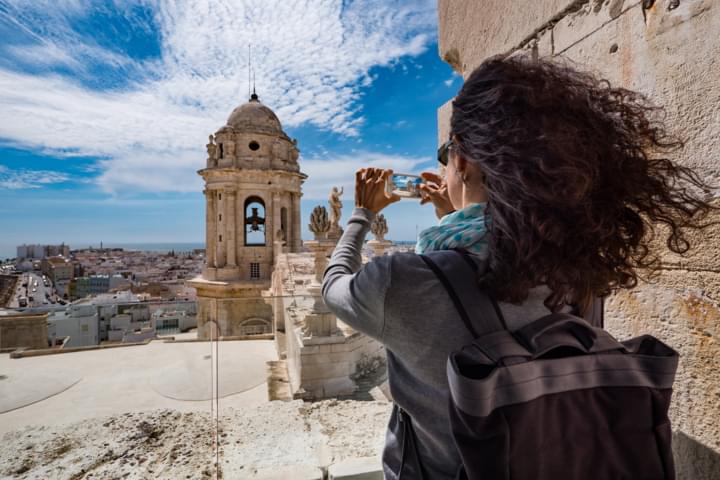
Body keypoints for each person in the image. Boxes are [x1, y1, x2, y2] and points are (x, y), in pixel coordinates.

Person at [321, 55, 716, 479]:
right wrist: (449, 212)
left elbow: (335, 285)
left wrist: (361, 213)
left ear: (463, 160)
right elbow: (493, 262)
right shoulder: (578, 267)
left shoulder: (399, 283)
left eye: (447, 153)